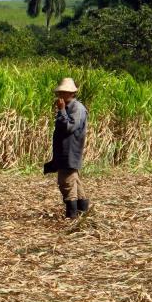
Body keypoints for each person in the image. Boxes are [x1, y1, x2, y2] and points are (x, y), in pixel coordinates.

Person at [50, 77, 89, 218]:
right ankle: (82, 213)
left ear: (72, 93)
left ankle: (71, 216)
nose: (61, 95)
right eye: (60, 92)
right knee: (74, 182)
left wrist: (61, 111)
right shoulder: (68, 107)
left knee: (66, 182)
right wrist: (62, 110)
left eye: (64, 92)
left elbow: (69, 127)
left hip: (71, 151)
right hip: (65, 152)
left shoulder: (77, 108)